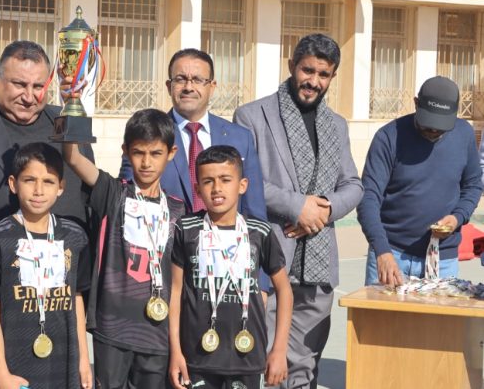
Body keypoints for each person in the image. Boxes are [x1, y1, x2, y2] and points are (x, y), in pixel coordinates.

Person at [234, 33, 363, 388]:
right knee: (261, 362)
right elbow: (244, 180)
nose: (314, 81)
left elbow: (353, 185)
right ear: (292, 66)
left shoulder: (336, 124)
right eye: (307, 70)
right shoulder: (251, 116)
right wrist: (297, 206)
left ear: (332, 76)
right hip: (269, 262)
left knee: (304, 368)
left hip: (317, 268)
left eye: (323, 74)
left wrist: (323, 210)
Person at [63, 108, 186, 388]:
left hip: (156, 333)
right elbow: (73, 158)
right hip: (112, 328)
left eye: (155, 153)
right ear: (125, 151)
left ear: (171, 153)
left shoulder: (178, 210)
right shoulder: (113, 193)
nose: (146, 162)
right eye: (138, 152)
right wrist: (72, 103)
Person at [168, 145, 292, 389]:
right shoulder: (187, 229)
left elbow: (284, 290)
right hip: (197, 357)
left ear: (242, 185)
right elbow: (175, 291)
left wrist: (279, 349)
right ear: (197, 189)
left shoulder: (260, 232)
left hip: (246, 357)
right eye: (208, 181)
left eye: (225, 180)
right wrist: (176, 351)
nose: (217, 188)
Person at [0, 142, 92, 389]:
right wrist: (1, 373)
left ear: (61, 187)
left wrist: (83, 359)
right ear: (13, 184)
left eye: (48, 181)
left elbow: (76, 298)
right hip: (16, 367)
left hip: (64, 365)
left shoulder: (74, 237)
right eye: (29, 180)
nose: (39, 190)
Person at [0, 40, 94, 230]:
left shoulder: (68, 121)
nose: (29, 97)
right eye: (19, 84)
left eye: (38, 87)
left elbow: (91, 196)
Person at [359, 76, 483, 286]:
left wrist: (457, 217)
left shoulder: (464, 134)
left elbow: (473, 186)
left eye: (441, 125)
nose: (434, 130)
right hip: (391, 256)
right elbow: (368, 197)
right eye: (429, 123)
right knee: (381, 310)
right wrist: (381, 249)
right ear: (416, 104)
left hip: (443, 260)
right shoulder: (388, 137)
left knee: (442, 311)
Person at [116, 49, 266, 220]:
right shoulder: (147, 135)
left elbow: (254, 210)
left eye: (197, 80)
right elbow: (128, 200)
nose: (188, 87)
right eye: (180, 79)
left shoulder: (240, 138)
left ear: (212, 87)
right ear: (169, 86)